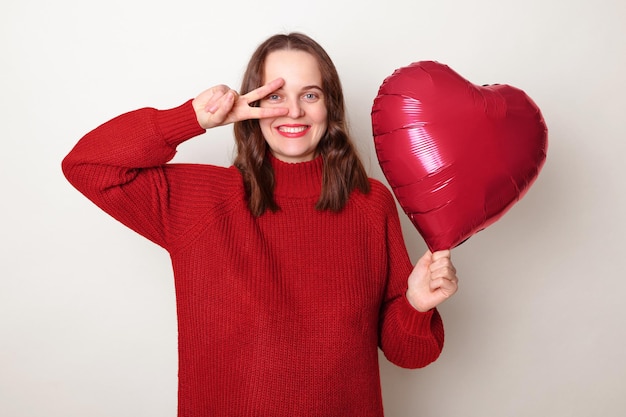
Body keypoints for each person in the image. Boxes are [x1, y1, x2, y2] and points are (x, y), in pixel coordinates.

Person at [62, 32, 459, 417]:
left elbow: (410, 355)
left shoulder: (370, 203)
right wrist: (191, 118)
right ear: (252, 104)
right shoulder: (201, 202)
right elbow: (88, 167)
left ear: (330, 107)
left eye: (310, 95)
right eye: (275, 96)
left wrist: (415, 306)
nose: (293, 111)